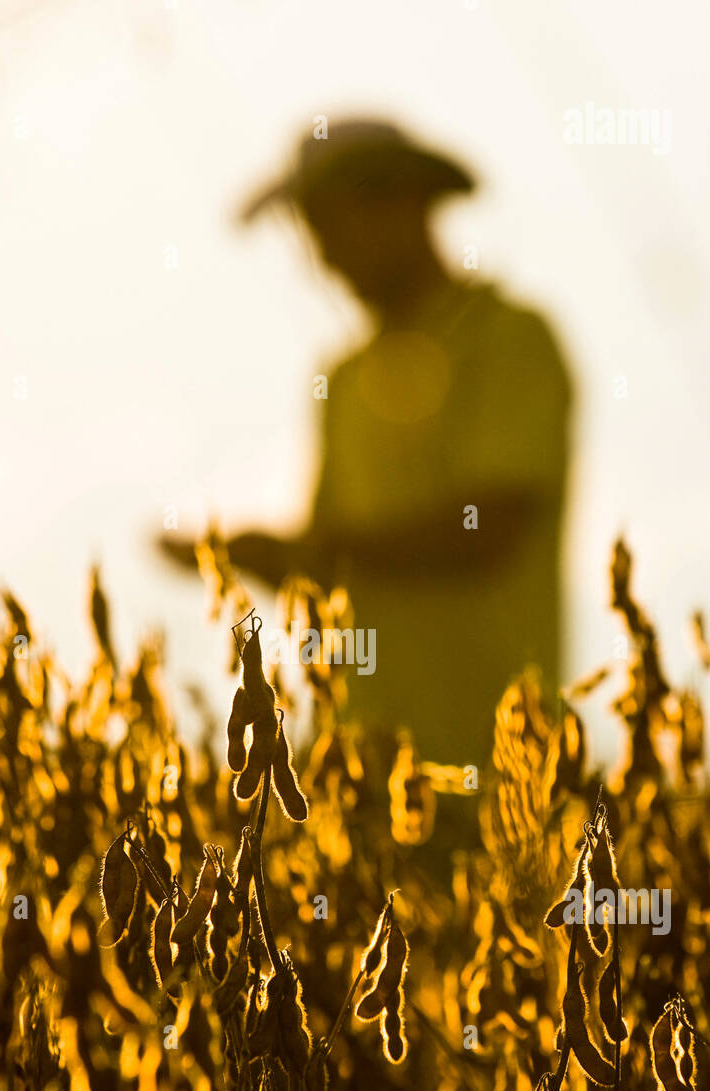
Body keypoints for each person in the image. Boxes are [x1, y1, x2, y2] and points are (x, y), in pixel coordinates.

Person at [161, 119, 573, 768]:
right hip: (361, 768)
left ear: (404, 204)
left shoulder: (509, 340)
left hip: (496, 767)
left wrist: (304, 551)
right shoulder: (342, 379)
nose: (322, 259)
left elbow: (488, 528)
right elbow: (331, 568)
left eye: (331, 228)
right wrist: (249, 557)